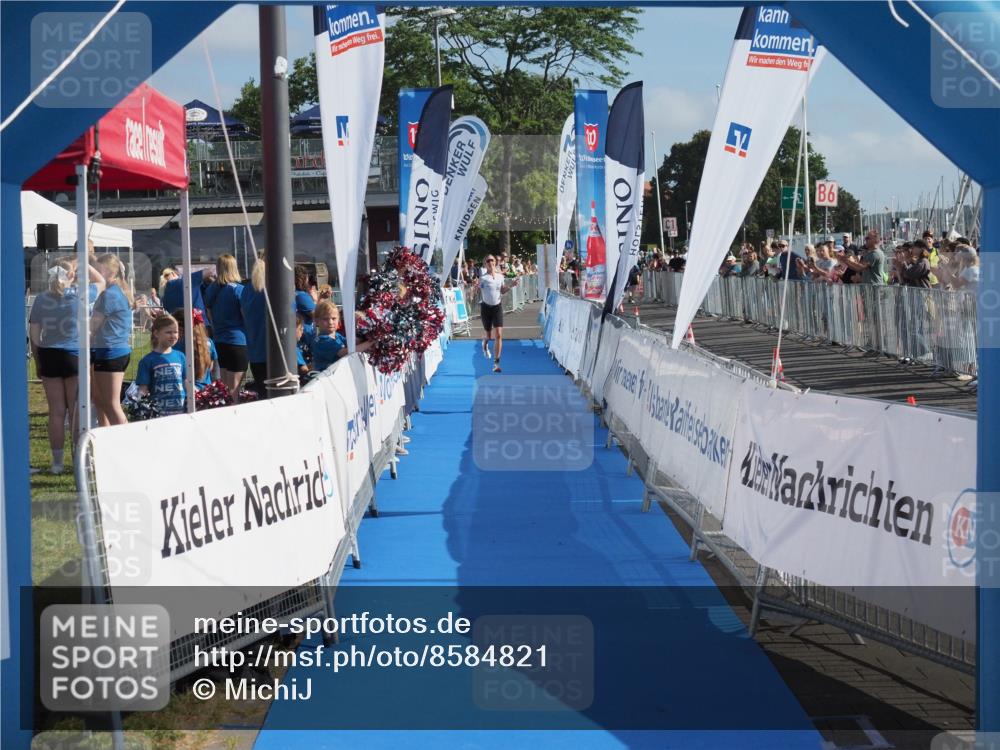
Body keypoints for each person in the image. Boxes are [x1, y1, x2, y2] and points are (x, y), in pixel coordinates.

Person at [28, 258, 104, 473]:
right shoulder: (82, 294)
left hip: (49, 355)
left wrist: (37, 359)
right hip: (74, 356)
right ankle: (80, 461)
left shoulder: (41, 299)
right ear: (71, 275)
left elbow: (34, 334)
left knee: (56, 412)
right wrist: (83, 262)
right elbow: (101, 281)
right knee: (77, 411)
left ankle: (57, 463)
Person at [90, 254, 134, 426]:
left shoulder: (109, 295)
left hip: (111, 351)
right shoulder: (115, 291)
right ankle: (106, 436)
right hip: (111, 350)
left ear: (108, 272)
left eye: (97, 270)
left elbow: (92, 327)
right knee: (100, 400)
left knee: (111, 403)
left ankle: (125, 439)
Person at [203, 254, 247, 398]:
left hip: (220, 340)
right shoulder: (238, 289)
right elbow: (245, 315)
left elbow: (210, 315)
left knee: (226, 386)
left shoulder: (211, 289)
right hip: (237, 340)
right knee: (235, 387)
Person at [135, 314, 187, 416]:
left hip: (181, 412)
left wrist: (199, 395)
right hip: (158, 415)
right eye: (168, 332)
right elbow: (143, 388)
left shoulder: (181, 356)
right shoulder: (147, 360)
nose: (173, 336)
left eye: (176, 332)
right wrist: (141, 407)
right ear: (156, 333)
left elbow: (186, 381)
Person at [474, 254, 518, 373]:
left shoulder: (500, 277)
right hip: (486, 308)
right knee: (488, 336)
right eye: (488, 260)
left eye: (492, 260)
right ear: (485, 263)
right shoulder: (483, 278)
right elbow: (478, 290)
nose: (490, 262)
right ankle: (485, 345)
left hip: (497, 307)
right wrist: (475, 288)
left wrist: (511, 285)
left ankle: (496, 363)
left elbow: (502, 290)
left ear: (495, 262)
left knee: (498, 334)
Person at [311, 301, 371, 372]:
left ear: (338, 319)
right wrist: (371, 342)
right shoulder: (322, 340)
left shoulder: (337, 335)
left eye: (333, 318)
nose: (330, 322)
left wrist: (367, 333)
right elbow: (346, 352)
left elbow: (353, 342)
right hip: (327, 379)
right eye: (325, 319)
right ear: (317, 321)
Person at [240, 259, 269, 398]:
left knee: (262, 393)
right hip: (271, 351)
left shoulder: (245, 290)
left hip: (254, 350)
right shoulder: (270, 288)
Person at [173, 308, 217, 390]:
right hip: (205, 391)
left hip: (184, 390)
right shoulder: (209, 342)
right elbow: (211, 367)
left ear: (180, 328)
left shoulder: (176, 345)